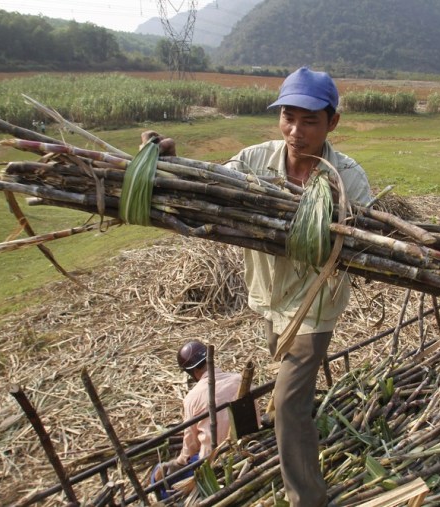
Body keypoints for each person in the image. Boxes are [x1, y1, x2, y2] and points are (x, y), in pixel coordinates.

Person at [144, 67, 372, 507]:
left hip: (314, 306)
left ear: (332, 123)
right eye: (289, 117)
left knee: (288, 405)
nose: (296, 131)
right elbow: (209, 185)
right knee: (286, 378)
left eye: (310, 120)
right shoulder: (254, 160)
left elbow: (358, 241)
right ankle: (295, 414)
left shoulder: (346, 177)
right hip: (267, 298)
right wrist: (170, 163)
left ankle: (306, 498)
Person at [151, 340, 242, 501]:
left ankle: (174, 502)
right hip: (246, 444)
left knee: (158, 475)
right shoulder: (239, 379)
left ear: (192, 372)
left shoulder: (192, 399)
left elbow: (190, 445)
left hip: (214, 461)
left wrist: (178, 463)